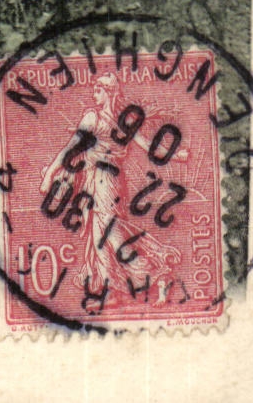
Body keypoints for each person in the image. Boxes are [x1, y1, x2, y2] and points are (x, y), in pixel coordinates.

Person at [38, 74, 187, 303]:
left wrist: (175, 155)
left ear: (107, 91)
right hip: (95, 181)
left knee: (112, 236)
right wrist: (50, 173)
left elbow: (147, 146)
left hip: (106, 182)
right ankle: (111, 290)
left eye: (97, 90)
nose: (94, 94)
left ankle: (158, 276)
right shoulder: (101, 118)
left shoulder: (104, 119)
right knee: (100, 238)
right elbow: (72, 149)